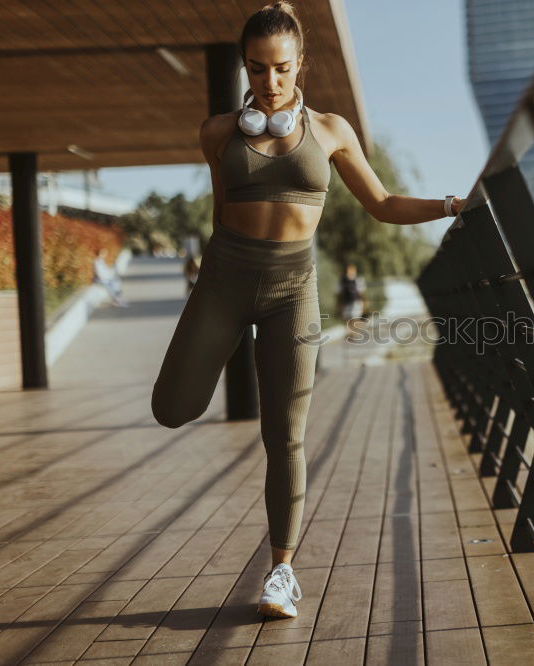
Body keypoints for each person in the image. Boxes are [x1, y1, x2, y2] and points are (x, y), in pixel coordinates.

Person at [149, 0, 464, 620]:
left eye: (283, 69)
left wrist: (454, 205)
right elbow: (220, 214)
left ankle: (281, 572)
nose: (270, 82)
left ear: (301, 66)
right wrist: (217, 295)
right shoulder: (217, 133)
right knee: (172, 408)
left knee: (285, 434)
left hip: (295, 288)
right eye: (258, 69)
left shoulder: (332, 130)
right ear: (245, 66)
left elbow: (383, 204)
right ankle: (214, 363)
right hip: (225, 280)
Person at [335, 263, 366, 340]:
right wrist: (338, 304)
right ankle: (351, 334)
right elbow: (338, 293)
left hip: (356, 302)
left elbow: (362, 293)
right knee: (347, 319)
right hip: (345, 303)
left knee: (355, 318)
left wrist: (364, 302)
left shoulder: (358, 279)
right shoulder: (342, 281)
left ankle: (354, 333)